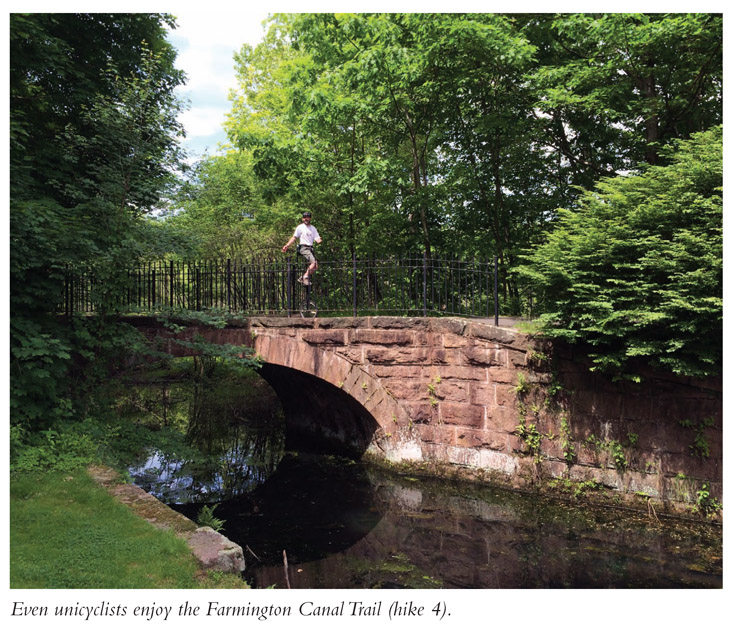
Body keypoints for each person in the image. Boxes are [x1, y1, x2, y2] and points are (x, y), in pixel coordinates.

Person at [282, 211, 322, 285]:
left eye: (307, 217)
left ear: (310, 218)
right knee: (313, 263)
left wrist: (319, 240)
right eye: (304, 217)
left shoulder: (313, 228)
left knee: (315, 266)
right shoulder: (300, 227)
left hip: (310, 248)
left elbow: (317, 238)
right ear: (302, 219)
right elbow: (294, 238)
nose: (305, 219)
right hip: (303, 247)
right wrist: (287, 245)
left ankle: (302, 277)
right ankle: (305, 277)